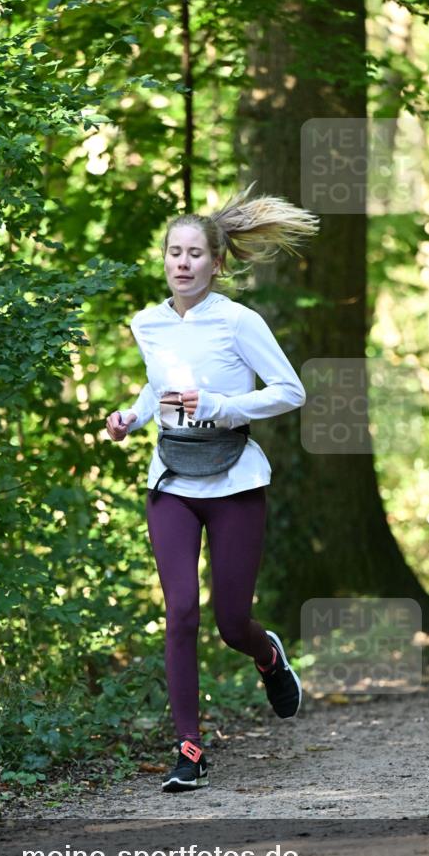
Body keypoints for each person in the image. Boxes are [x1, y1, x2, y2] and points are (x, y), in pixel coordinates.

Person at [105, 182, 319, 792]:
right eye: (175, 252)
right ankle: (189, 749)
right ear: (165, 259)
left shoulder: (239, 322)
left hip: (234, 481)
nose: (182, 263)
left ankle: (267, 654)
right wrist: (130, 418)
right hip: (172, 479)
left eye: (195, 254)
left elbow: (290, 391)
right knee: (179, 613)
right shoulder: (147, 322)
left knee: (230, 623)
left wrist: (221, 404)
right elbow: (156, 388)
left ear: (217, 263)